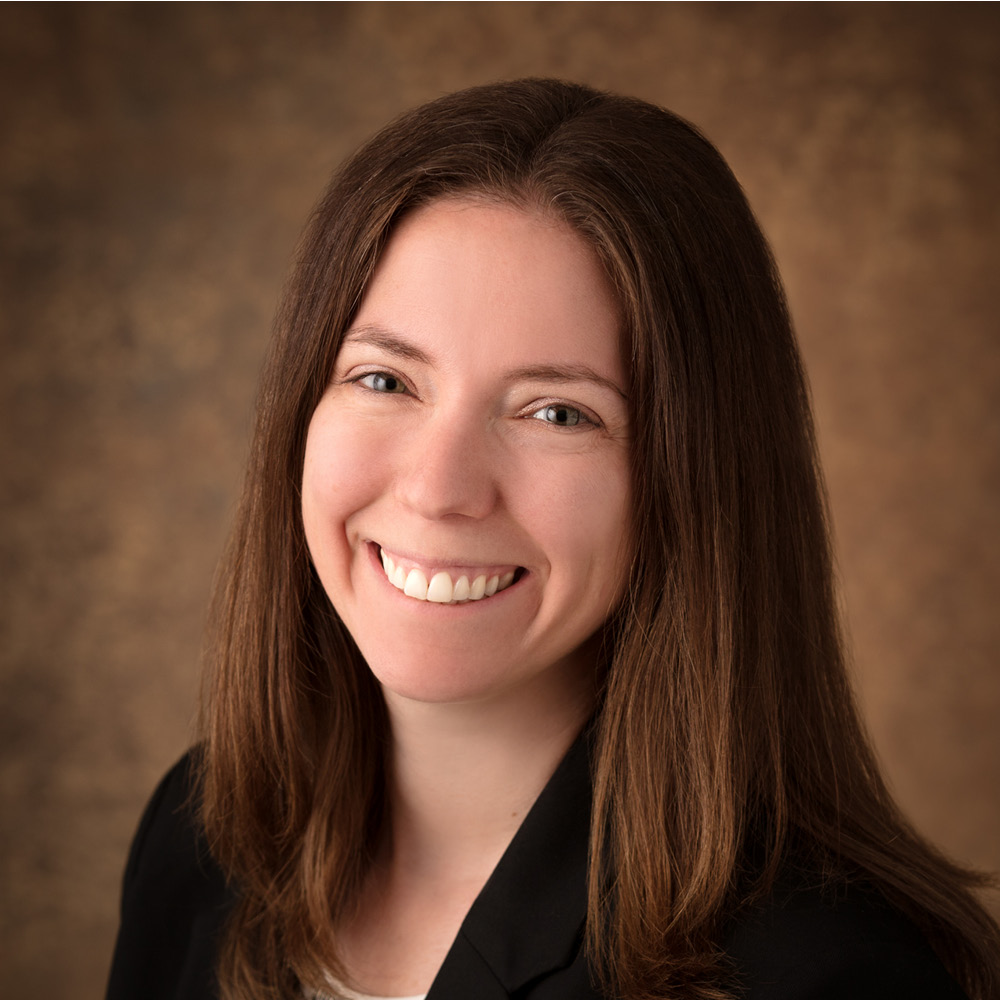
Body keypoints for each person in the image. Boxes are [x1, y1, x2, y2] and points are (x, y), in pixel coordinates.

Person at [105, 79, 1000, 1000]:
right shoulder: (200, 844)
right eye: (384, 380)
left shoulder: (819, 974)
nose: (438, 487)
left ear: (693, 482)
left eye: (559, 412)